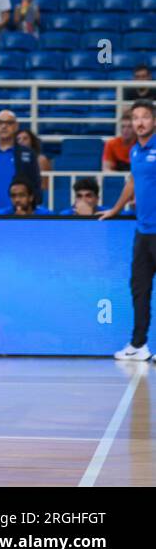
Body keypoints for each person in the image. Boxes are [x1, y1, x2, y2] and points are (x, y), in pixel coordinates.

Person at [100, 101, 156, 359]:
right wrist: (115, 209)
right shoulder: (135, 151)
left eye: (145, 117)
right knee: (139, 287)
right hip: (143, 232)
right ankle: (138, 345)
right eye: (135, 118)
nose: (140, 122)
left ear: (154, 121)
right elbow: (132, 182)